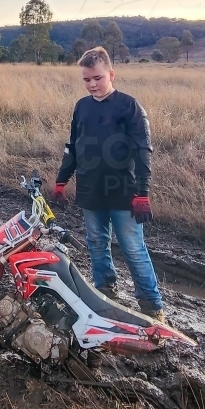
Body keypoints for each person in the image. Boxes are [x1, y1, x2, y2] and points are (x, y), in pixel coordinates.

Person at [53, 46, 166, 322]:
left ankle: (152, 308)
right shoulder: (82, 107)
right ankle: (106, 295)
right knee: (96, 243)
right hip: (90, 191)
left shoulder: (129, 106)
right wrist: (61, 180)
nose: (92, 84)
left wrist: (143, 193)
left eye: (98, 78)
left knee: (133, 248)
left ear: (111, 74)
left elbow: (143, 151)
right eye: (86, 80)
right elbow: (74, 148)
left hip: (124, 193)